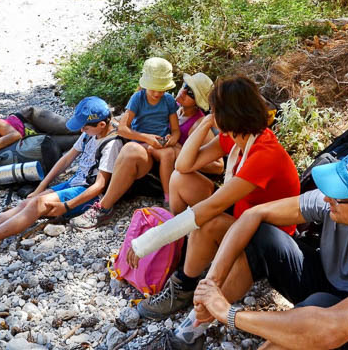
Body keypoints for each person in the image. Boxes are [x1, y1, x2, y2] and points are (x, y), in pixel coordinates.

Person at [173, 149, 348, 349]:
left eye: (338, 195)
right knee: (262, 236)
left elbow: (332, 329)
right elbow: (254, 214)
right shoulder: (344, 204)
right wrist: (212, 287)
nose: (326, 198)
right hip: (335, 289)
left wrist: (230, 314)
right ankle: (194, 326)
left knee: (317, 312)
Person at [126, 76, 300, 322]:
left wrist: (147, 242)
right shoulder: (237, 136)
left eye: (214, 110)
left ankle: (184, 285)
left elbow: (212, 207)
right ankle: (189, 251)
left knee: (206, 221)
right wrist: (207, 122)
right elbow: (183, 165)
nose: (210, 113)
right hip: (243, 215)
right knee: (180, 179)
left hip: (268, 239)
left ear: (229, 116)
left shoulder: (264, 154)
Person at [0, 97, 123, 260]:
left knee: (37, 205)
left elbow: (100, 185)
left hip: (87, 194)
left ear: (101, 125)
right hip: (74, 182)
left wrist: (66, 206)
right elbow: (65, 160)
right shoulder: (90, 134)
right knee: (27, 202)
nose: (81, 131)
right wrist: (40, 189)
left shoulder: (111, 144)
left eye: (84, 127)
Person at [71, 57, 181, 229]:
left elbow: (175, 130)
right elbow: (123, 129)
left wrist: (171, 139)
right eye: (154, 89)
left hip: (160, 148)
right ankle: (103, 208)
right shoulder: (138, 98)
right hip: (141, 148)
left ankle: (169, 200)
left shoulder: (168, 101)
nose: (157, 94)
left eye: (161, 89)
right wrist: (147, 138)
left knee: (167, 153)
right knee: (130, 149)